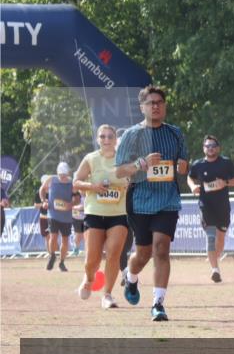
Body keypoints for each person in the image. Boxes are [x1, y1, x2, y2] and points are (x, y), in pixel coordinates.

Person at [115, 86, 189, 321]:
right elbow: (119, 171)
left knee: (161, 249)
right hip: (139, 200)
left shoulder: (175, 133)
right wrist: (140, 164)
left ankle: (158, 303)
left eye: (159, 102)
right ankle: (131, 276)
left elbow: (184, 163)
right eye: (151, 103)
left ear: (164, 106)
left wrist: (182, 167)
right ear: (142, 107)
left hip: (167, 198)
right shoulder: (131, 135)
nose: (155, 106)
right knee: (143, 254)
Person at [73, 124, 130, 309]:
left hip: (118, 214)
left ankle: (107, 295)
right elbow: (76, 183)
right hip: (95, 213)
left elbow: (134, 182)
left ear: (115, 140)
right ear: (98, 139)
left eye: (110, 137)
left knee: (114, 254)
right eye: (102, 136)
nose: (106, 140)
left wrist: (129, 186)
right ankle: (89, 279)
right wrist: (93, 186)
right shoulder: (91, 158)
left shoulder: (124, 160)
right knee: (92, 260)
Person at [188, 135, 234, 283]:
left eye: (213, 145)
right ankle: (215, 270)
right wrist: (193, 187)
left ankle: (214, 260)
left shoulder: (226, 163)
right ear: (203, 148)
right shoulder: (198, 164)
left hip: (223, 206)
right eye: (207, 146)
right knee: (211, 237)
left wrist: (225, 182)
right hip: (206, 205)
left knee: (220, 240)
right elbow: (190, 177)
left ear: (218, 148)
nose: (210, 148)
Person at [39, 163, 75, 272]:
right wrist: (43, 201)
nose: (62, 177)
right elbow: (41, 190)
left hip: (66, 216)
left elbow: (77, 197)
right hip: (53, 214)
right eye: (60, 175)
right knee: (53, 236)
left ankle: (62, 262)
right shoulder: (51, 179)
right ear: (57, 173)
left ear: (68, 173)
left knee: (65, 239)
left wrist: (71, 204)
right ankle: (52, 255)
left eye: (64, 175)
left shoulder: (71, 182)